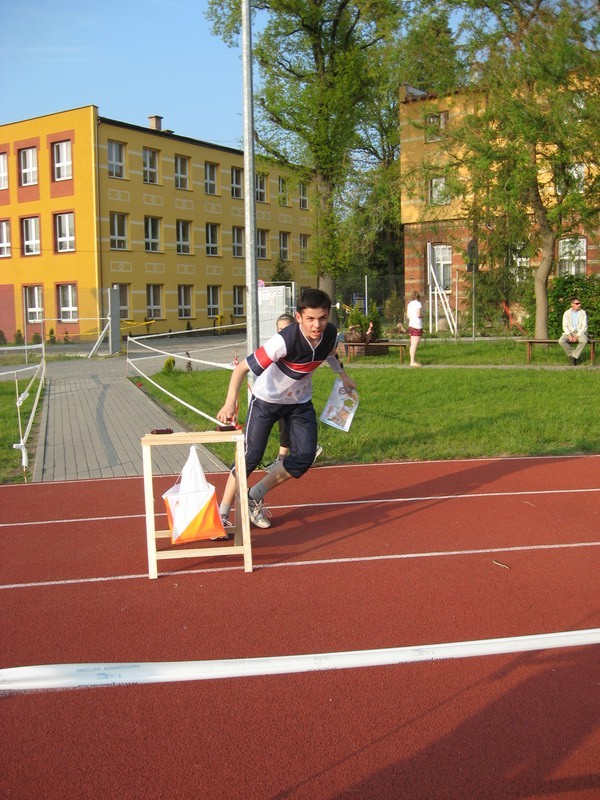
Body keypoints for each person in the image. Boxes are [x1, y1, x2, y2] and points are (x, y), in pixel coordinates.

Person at [216, 288, 356, 531]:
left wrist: (342, 375)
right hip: (266, 400)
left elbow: (330, 353)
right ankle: (222, 513)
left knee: (303, 458)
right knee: (251, 456)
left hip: (299, 403)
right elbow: (241, 369)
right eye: (310, 319)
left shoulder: (330, 333)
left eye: (322, 318)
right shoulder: (283, 341)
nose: (317, 325)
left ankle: (253, 496)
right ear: (298, 316)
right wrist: (230, 402)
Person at [558, 296, 588, 365]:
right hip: (570, 332)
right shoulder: (567, 313)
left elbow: (584, 326)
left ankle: (574, 357)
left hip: (580, 332)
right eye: (577, 303)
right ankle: (574, 355)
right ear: (572, 304)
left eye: (579, 303)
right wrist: (569, 335)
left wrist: (577, 336)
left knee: (584, 340)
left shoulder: (583, 313)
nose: (579, 305)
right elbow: (565, 325)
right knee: (561, 341)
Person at [406, 291, 423, 366]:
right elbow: (418, 314)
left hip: (411, 325)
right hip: (417, 325)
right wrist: (423, 315)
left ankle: (412, 360)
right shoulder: (418, 303)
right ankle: (412, 361)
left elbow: (408, 316)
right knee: (415, 344)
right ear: (418, 297)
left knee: (412, 343)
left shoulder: (409, 304)